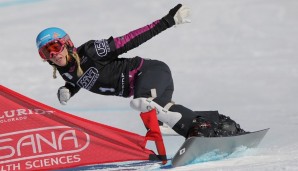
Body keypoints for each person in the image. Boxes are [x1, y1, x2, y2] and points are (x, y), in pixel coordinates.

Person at [36, 4, 246, 139]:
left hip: (150, 72)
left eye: (54, 47)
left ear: (67, 44)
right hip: (144, 88)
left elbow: (129, 40)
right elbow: (78, 79)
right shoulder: (66, 71)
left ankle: (202, 129)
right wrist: (69, 89)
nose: (53, 55)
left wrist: (166, 21)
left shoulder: (91, 51)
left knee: (144, 103)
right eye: (46, 53)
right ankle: (219, 127)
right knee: (157, 122)